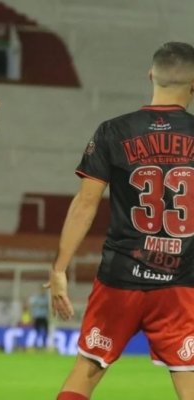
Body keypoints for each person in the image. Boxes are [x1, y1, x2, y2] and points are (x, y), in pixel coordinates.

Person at [50, 41, 194, 400]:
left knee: (86, 371)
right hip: (181, 282)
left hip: (119, 279)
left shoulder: (113, 131)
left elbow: (85, 205)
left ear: (151, 76)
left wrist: (59, 269)